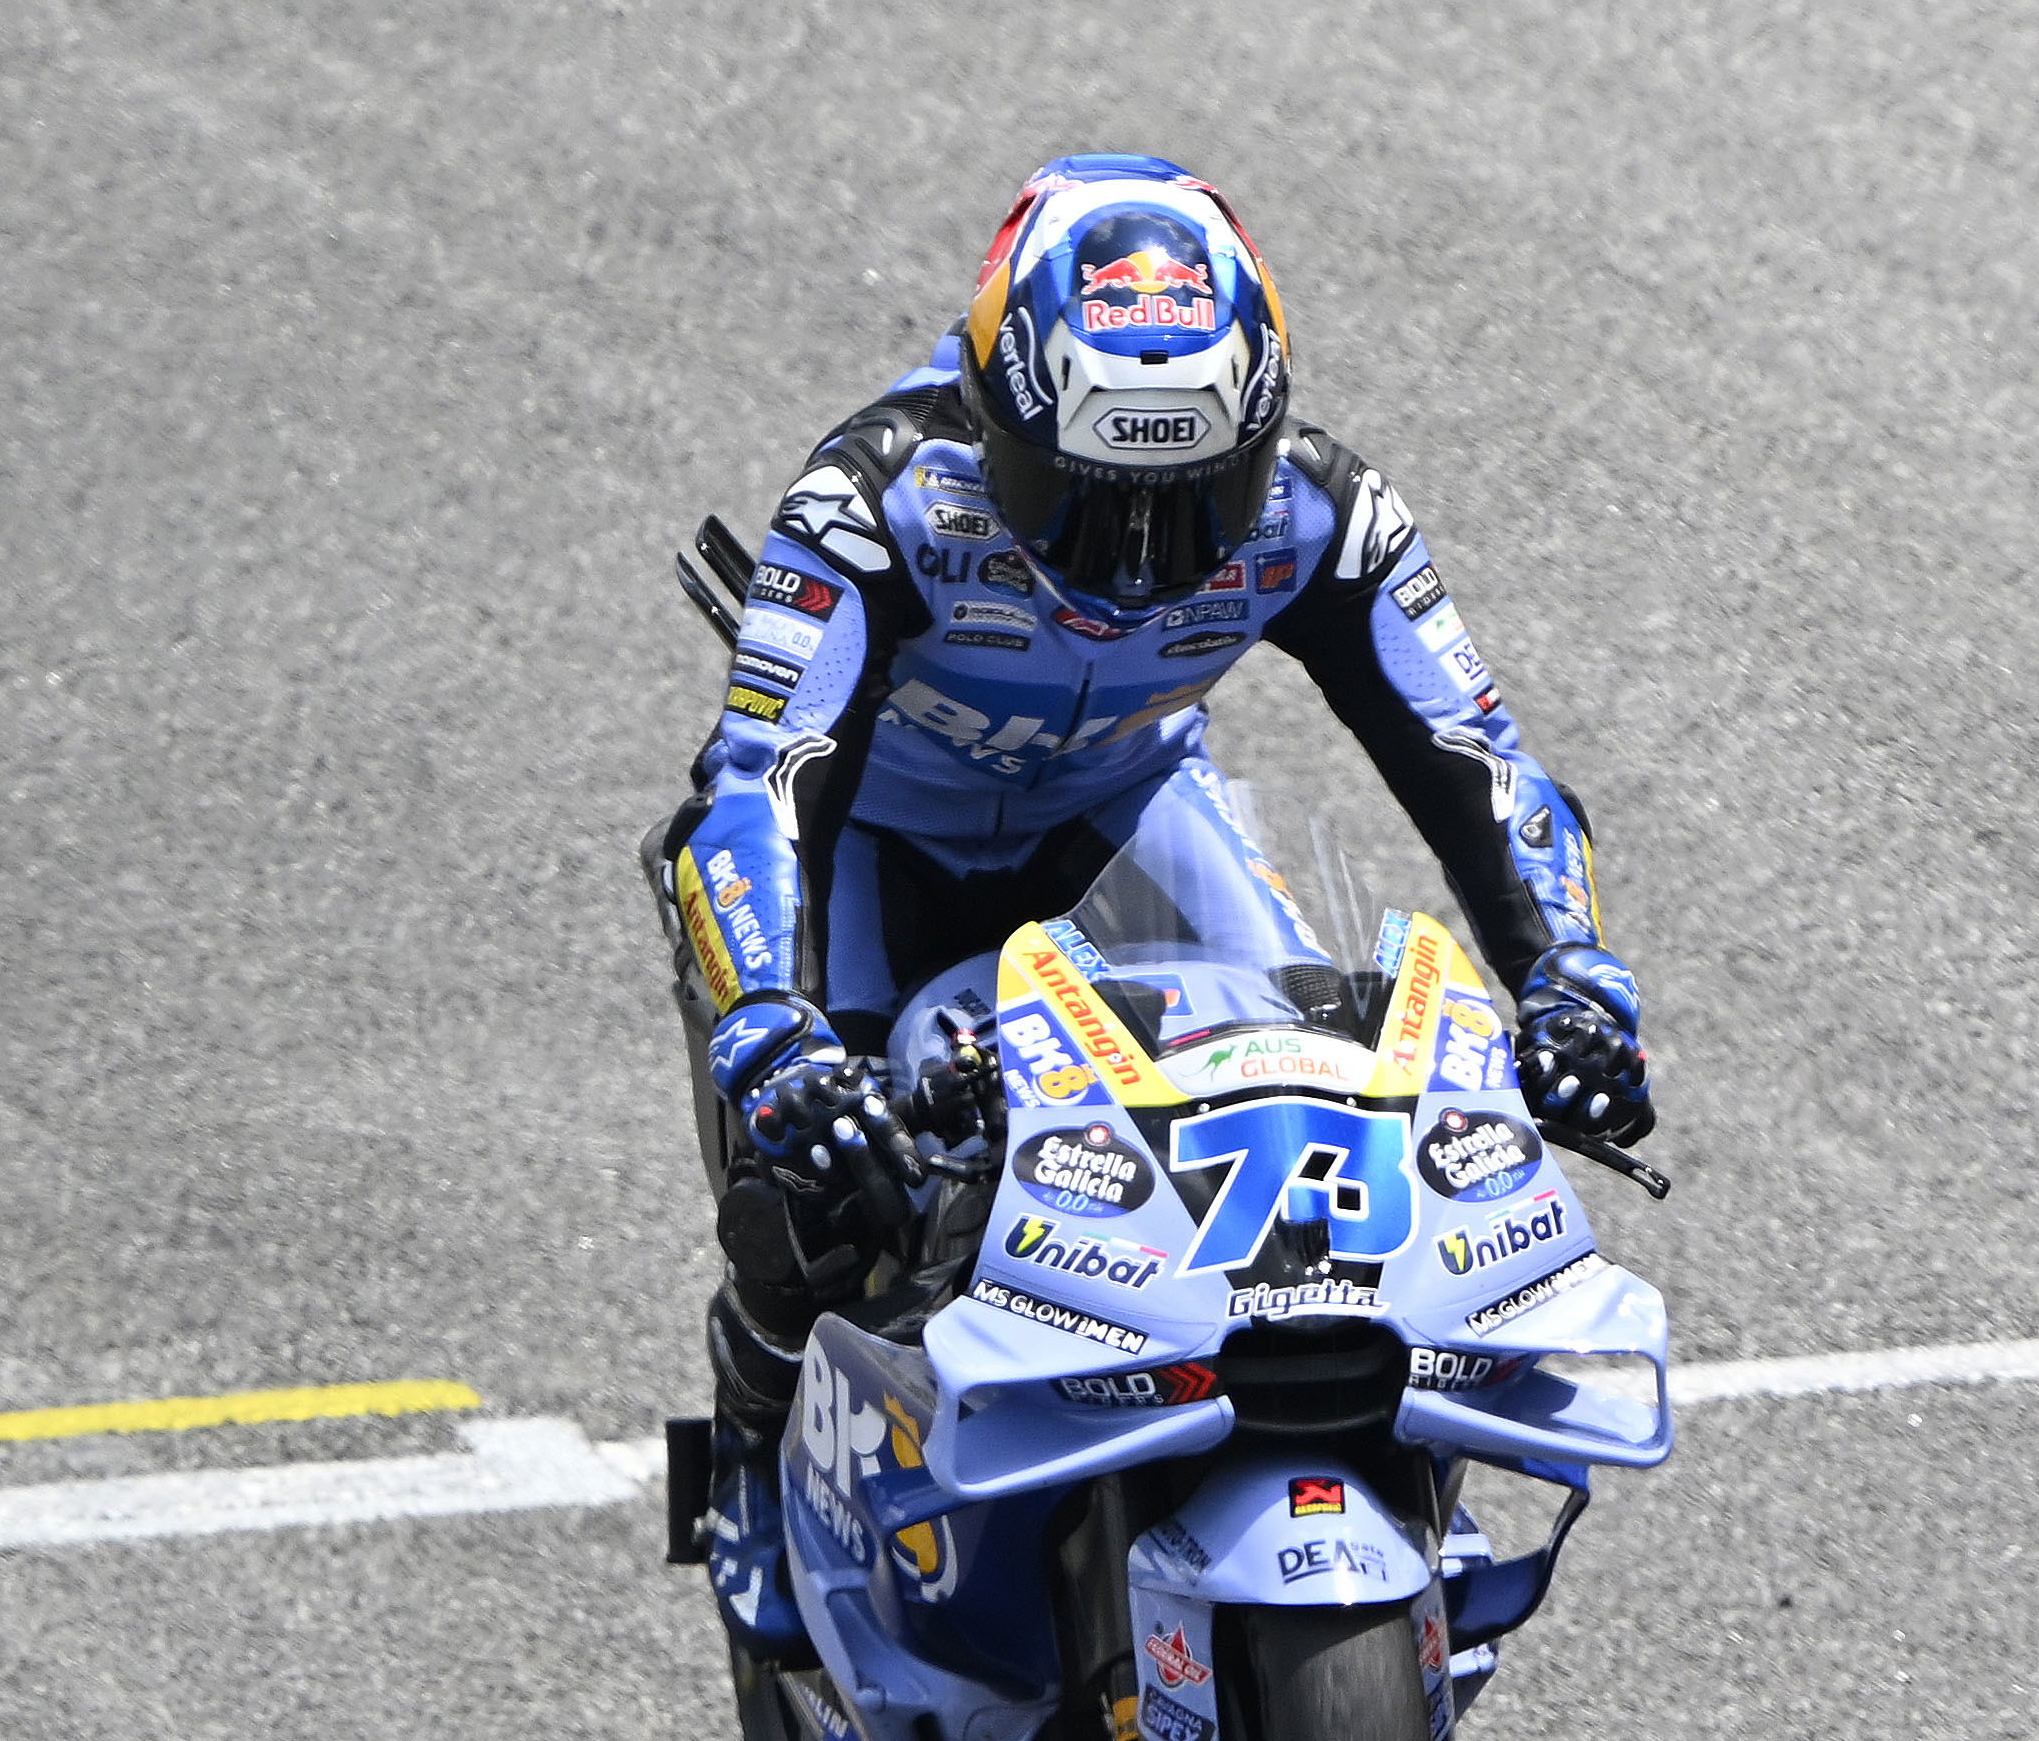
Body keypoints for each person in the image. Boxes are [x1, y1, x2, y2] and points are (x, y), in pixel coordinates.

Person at [648, 154, 1656, 1626]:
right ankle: (750, 1436)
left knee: (1333, 1109)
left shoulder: (1327, 512)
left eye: (1195, 504)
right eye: (1091, 498)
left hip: (1124, 816)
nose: (1141, 560)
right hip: (874, 841)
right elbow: (755, 785)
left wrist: (1574, 973)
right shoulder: (872, 501)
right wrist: (773, 1033)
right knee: (824, 1179)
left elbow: (1477, 754)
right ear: (1000, 425)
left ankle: (1388, 1502)